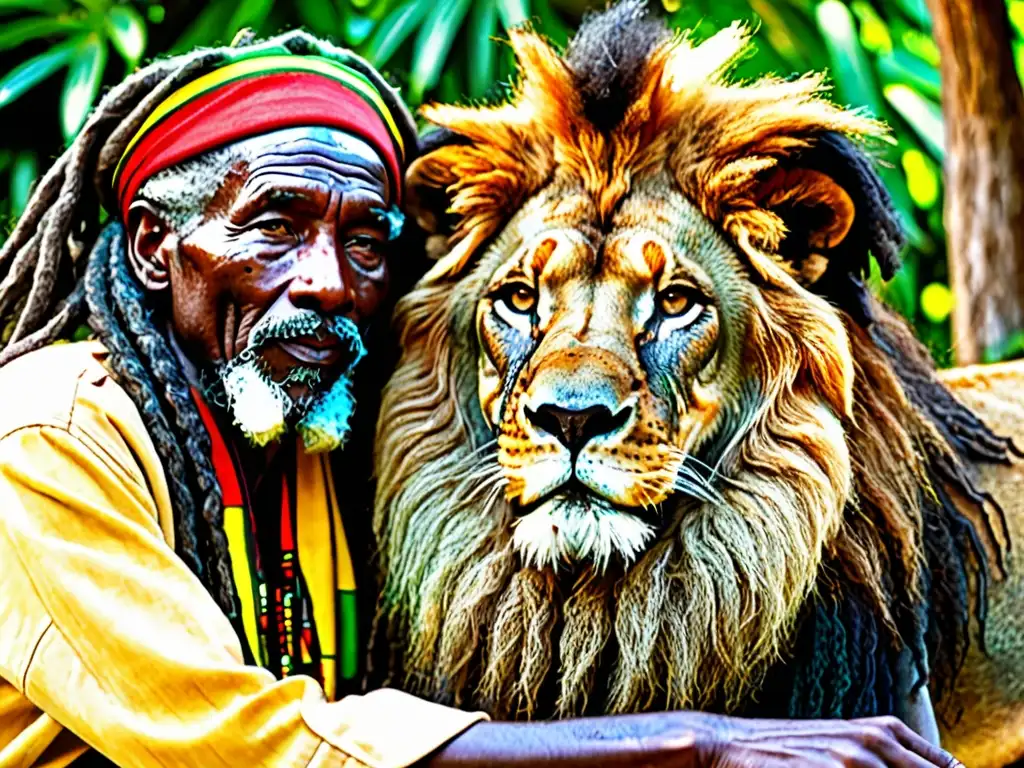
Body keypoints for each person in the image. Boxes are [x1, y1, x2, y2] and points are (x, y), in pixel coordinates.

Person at [0, 30, 961, 768]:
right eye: (277, 225)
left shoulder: (316, 424)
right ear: (154, 250)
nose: (326, 283)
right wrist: (698, 742)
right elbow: (245, 749)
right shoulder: (44, 439)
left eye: (363, 243)